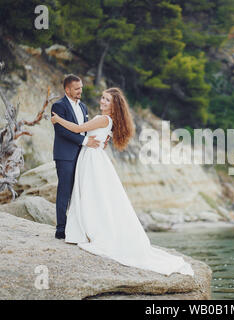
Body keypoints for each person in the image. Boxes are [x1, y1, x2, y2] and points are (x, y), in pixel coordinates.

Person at [51, 87, 194, 276]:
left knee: (91, 194)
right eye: (102, 98)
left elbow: (78, 129)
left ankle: (89, 230)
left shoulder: (103, 119)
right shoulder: (107, 120)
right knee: (93, 195)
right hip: (93, 157)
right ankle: (85, 229)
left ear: (114, 105)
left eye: (107, 100)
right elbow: (93, 134)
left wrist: (58, 120)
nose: (102, 101)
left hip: (92, 159)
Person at [51, 74, 107, 240]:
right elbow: (61, 131)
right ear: (67, 89)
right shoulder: (58, 106)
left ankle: (77, 228)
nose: (80, 91)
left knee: (80, 191)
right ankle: (60, 229)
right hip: (65, 155)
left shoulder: (83, 106)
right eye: (77, 89)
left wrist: (102, 136)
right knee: (64, 191)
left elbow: (86, 128)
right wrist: (84, 141)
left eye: (81, 88)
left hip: (83, 156)